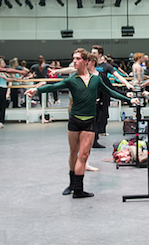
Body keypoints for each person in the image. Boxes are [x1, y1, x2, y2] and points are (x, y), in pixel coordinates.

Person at [25, 48, 135, 198]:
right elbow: (53, 86)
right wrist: (35, 91)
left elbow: (111, 92)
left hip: (89, 121)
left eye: (77, 58)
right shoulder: (71, 80)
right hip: (75, 120)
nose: (74, 61)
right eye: (74, 58)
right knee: (73, 153)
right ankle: (71, 183)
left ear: (86, 61)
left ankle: (78, 189)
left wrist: (129, 100)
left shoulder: (96, 79)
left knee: (83, 155)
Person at [90, 45, 134, 149]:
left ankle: (98, 135)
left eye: (94, 53)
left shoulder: (106, 66)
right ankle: (93, 139)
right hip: (93, 94)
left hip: (104, 93)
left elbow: (117, 76)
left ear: (100, 54)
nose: (92, 54)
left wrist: (127, 84)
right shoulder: (90, 65)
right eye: (91, 52)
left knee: (102, 115)